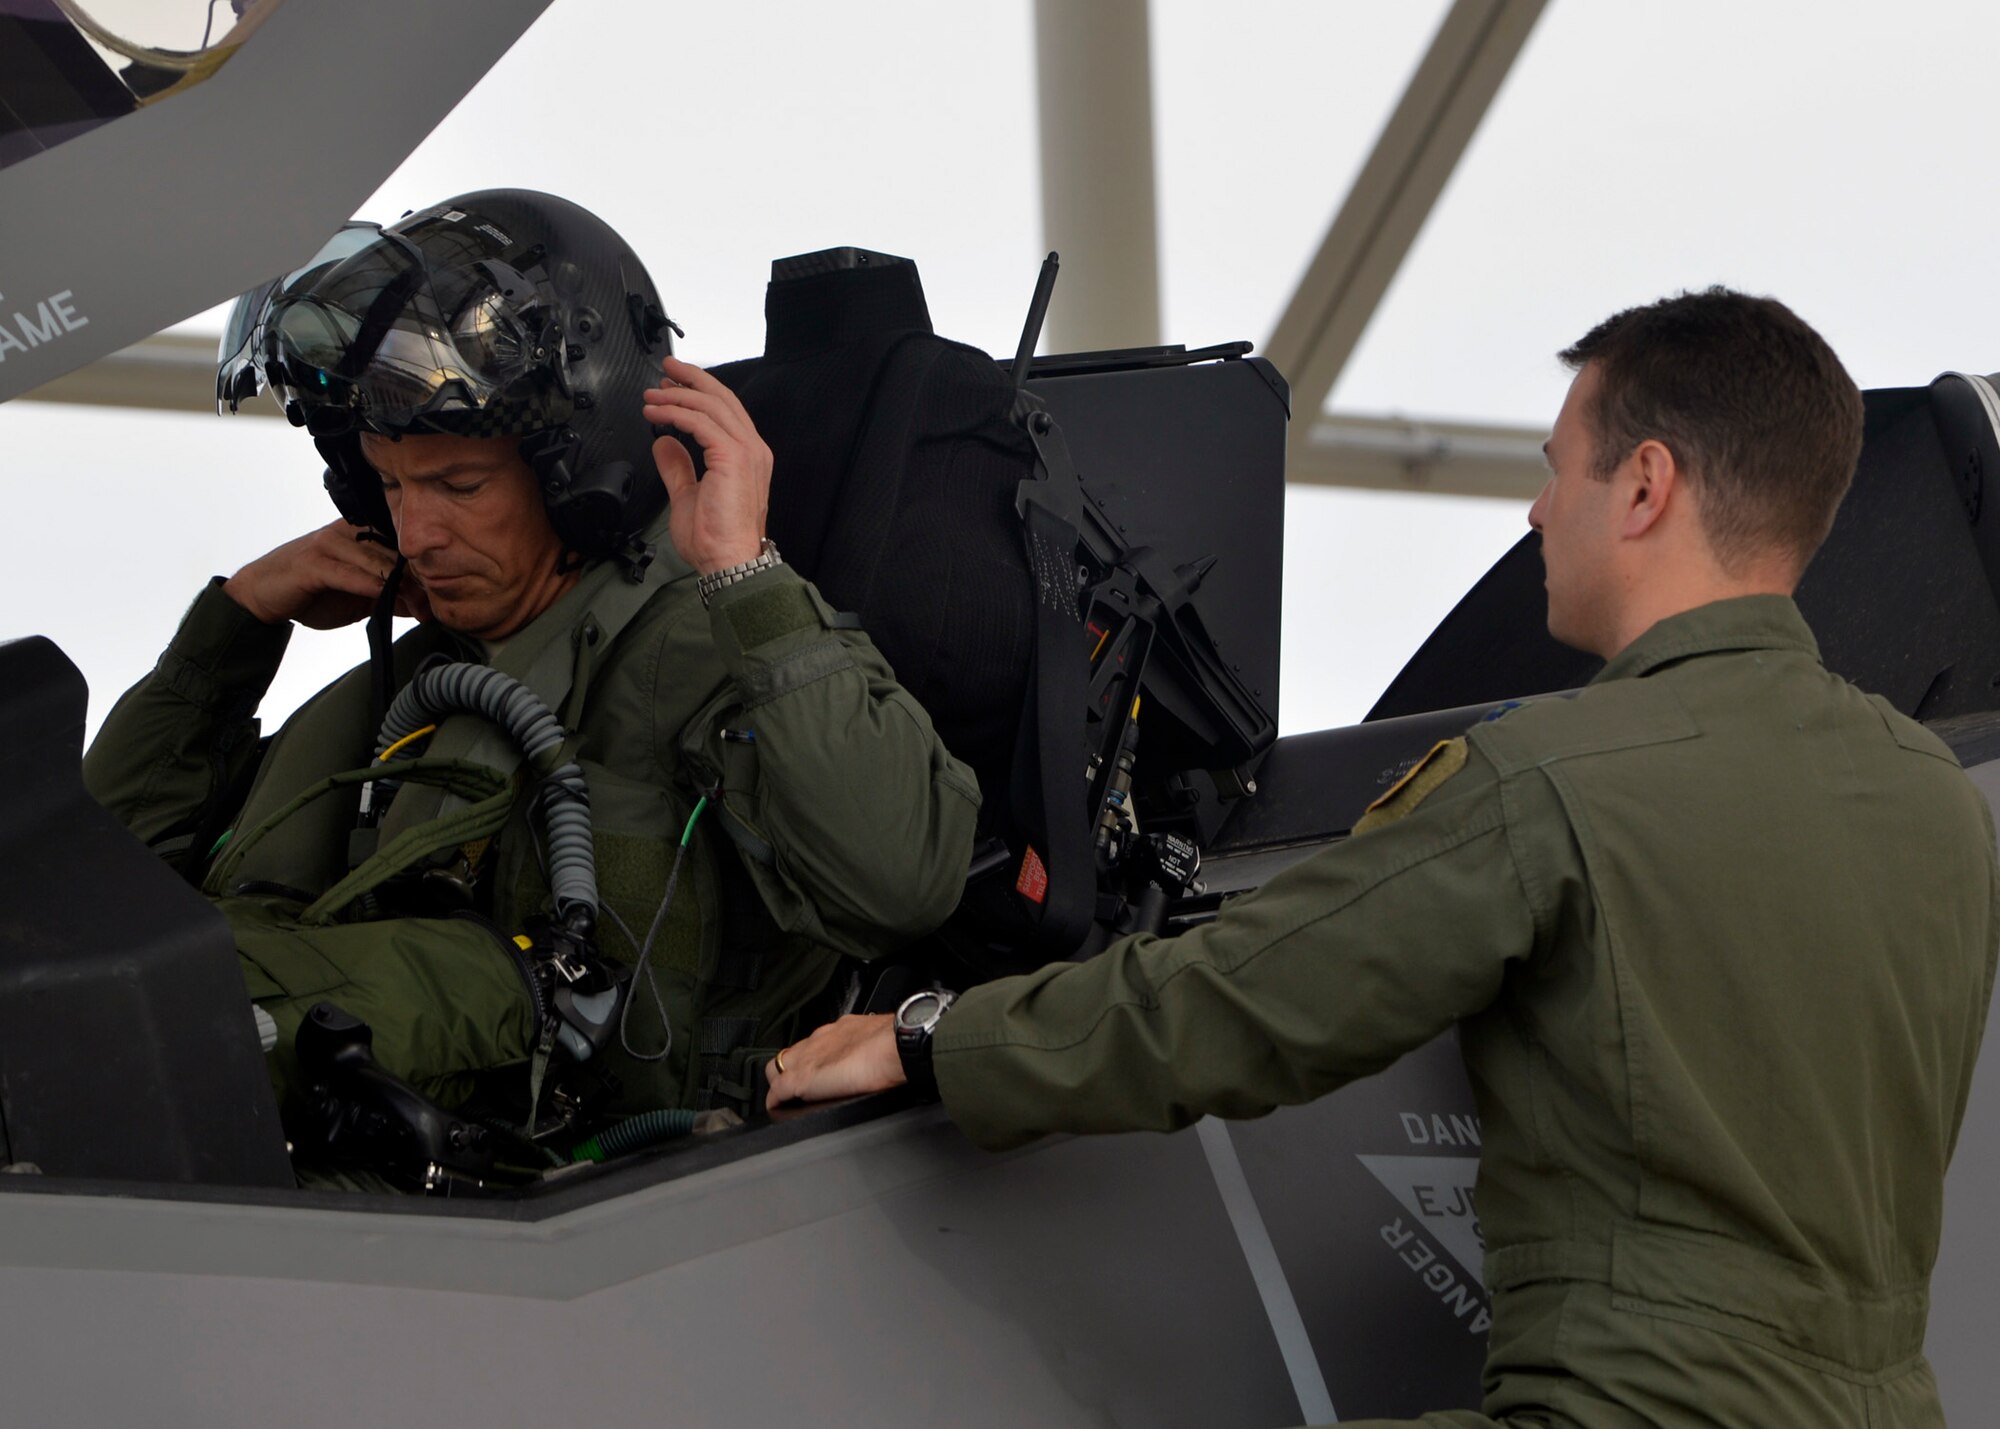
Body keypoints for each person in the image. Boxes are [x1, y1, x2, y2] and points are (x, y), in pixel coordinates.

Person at [766, 288, 2000, 1427]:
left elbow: (1247, 1001)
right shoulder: (1934, 805)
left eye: (1554, 470)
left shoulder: (1551, 779)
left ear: (1643, 488)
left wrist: (933, 1037)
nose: (1533, 513)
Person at [84, 190, 980, 1153]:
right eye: (388, 485)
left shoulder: (703, 650)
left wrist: (748, 576)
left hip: (588, 1207)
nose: (416, 533)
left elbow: (902, 882)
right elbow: (95, 906)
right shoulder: (418, 677)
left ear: (574, 468)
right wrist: (235, 625)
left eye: (458, 486)